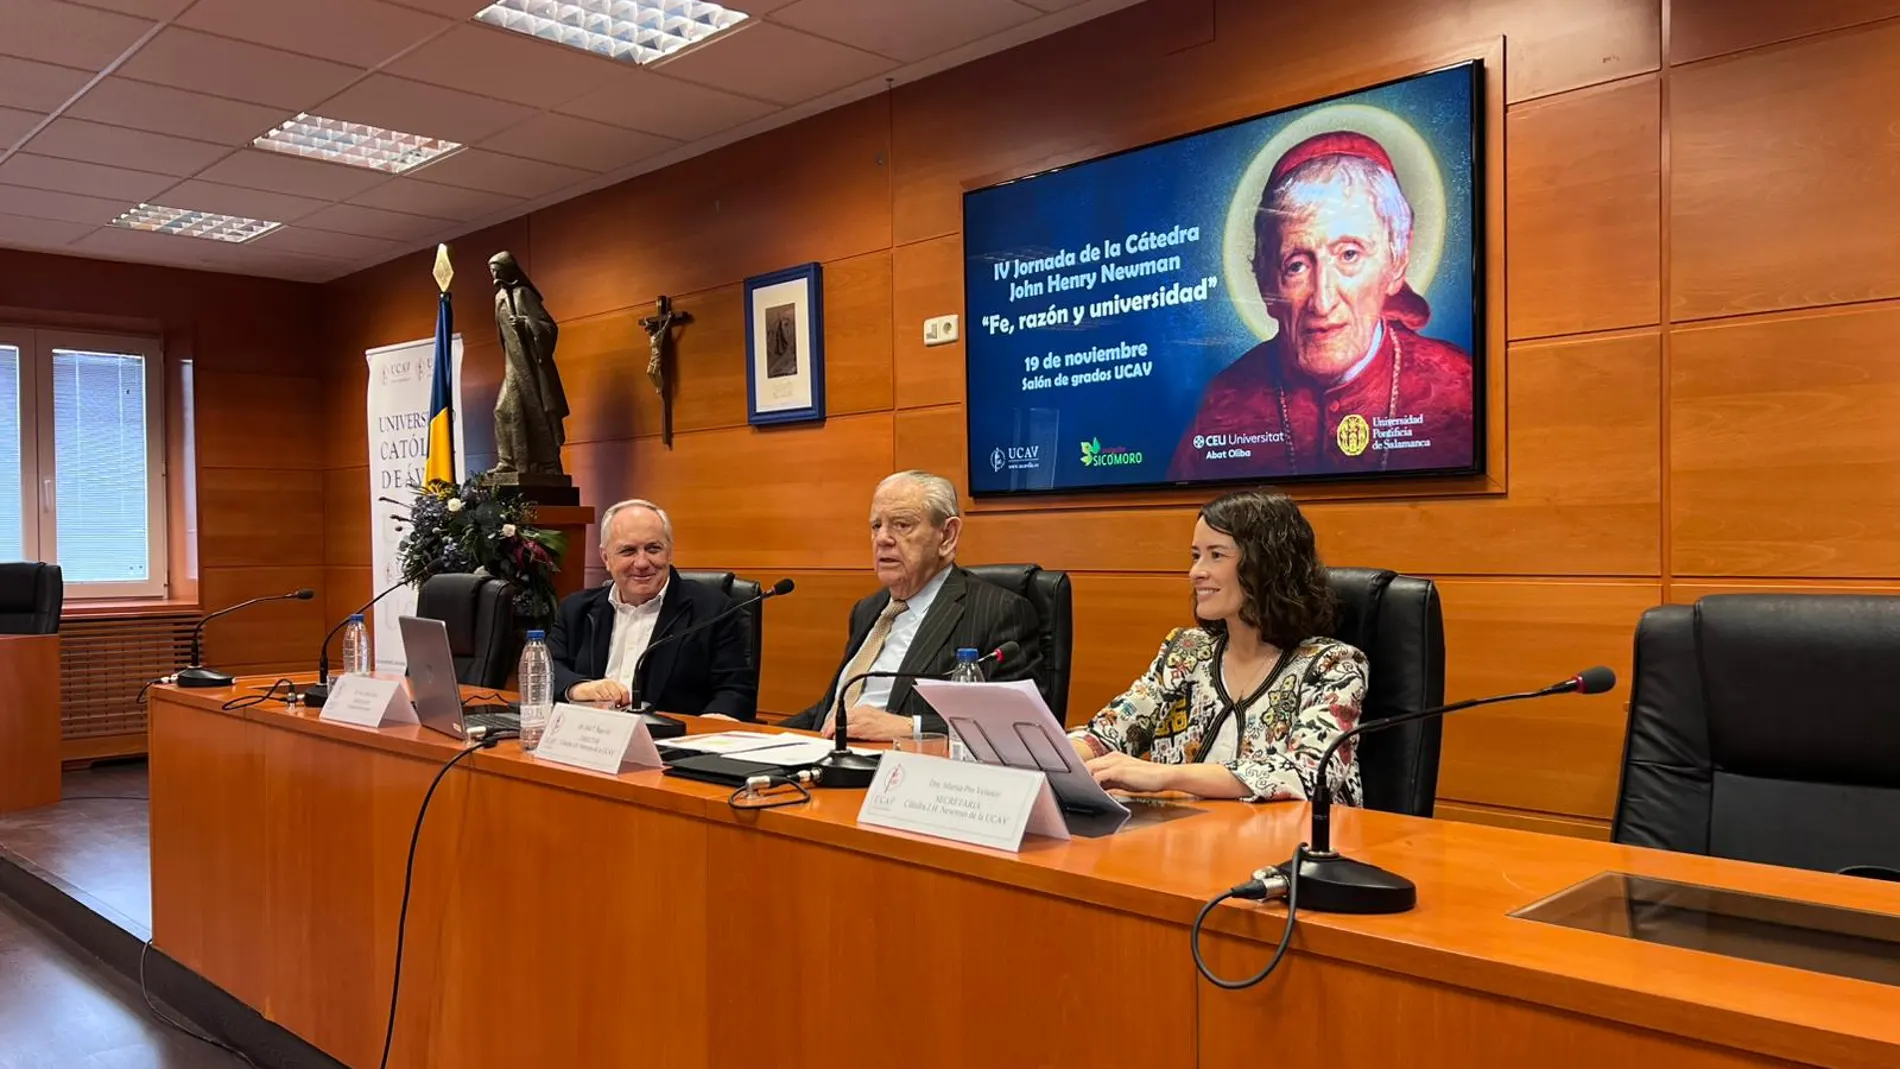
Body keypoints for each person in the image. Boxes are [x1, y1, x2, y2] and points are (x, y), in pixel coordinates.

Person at [1171, 131, 1473, 480]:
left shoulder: (1459, 387)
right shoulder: (1223, 403)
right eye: (1296, 265)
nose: (1323, 301)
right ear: (1267, 283)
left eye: (1349, 255)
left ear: (1397, 263)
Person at [1070, 489, 1367, 801]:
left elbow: (1307, 775)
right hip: (1182, 840)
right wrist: (1054, 755)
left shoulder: (1333, 666)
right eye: (1196, 555)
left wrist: (1166, 776)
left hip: (1288, 844)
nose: (1196, 572)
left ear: (1266, 566)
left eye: (1216, 555)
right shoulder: (1185, 653)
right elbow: (1108, 733)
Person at [782, 471, 1044, 741]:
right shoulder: (868, 610)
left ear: (947, 536)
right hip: (827, 761)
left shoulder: (999, 612)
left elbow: (1017, 727)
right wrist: (746, 733)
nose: (883, 538)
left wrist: (910, 728)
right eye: (876, 526)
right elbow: (834, 709)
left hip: (904, 769)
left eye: (902, 524)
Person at [546, 498, 757, 720]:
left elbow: (736, 692)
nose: (642, 562)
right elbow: (546, 669)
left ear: (669, 552)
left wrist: (704, 732)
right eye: (628, 551)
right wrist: (579, 688)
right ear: (606, 558)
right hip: (589, 739)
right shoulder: (577, 609)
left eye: (653, 549)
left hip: (671, 744)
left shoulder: (714, 610)